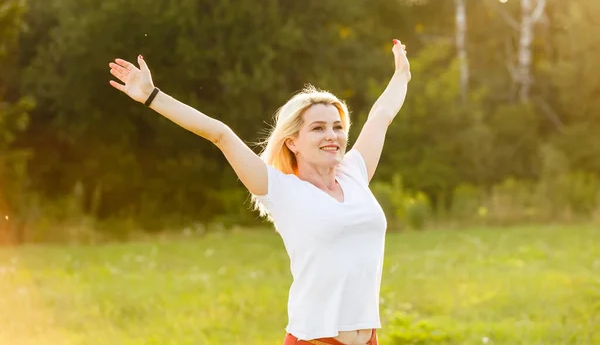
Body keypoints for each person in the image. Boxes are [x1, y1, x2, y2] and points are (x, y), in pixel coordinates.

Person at [108, 39, 411, 345]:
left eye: (337, 127)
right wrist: (151, 96)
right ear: (292, 142)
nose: (332, 135)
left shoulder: (354, 173)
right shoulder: (281, 190)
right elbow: (219, 134)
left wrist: (402, 74)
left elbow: (381, 114)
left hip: (368, 338)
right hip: (315, 340)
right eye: (318, 128)